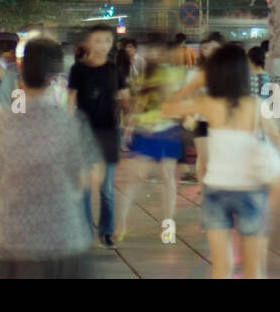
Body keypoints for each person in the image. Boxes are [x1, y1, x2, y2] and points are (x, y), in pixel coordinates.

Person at [0, 38, 102, 278]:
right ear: (55, 77)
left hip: (13, 242)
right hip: (63, 239)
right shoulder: (71, 124)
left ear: (21, 71)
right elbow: (91, 177)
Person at [164, 43, 280, 278]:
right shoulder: (256, 106)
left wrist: (192, 84)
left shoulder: (208, 104)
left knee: (221, 267)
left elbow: (167, 108)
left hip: (216, 191)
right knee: (254, 269)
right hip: (251, 192)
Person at [115, 33, 188, 242]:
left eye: (157, 50)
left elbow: (173, 101)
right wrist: (132, 123)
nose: (153, 53)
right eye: (150, 49)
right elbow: (138, 102)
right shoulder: (142, 74)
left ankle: (167, 226)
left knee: (167, 178)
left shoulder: (172, 74)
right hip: (145, 130)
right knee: (135, 178)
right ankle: (121, 224)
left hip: (167, 130)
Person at [67, 23, 130, 249]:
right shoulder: (78, 70)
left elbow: (124, 97)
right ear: (88, 43)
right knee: (84, 187)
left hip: (108, 133)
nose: (103, 45)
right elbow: (70, 100)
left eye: (107, 40)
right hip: (84, 133)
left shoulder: (115, 70)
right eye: (98, 40)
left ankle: (106, 232)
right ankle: (84, 232)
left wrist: (128, 115)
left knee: (107, 189)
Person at [174, 32, 224, 187]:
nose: (210, 51)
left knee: (217, 159)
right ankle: (204, 189)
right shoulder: (195, 72)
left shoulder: (228, 71)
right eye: (207, 48)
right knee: (204, 158)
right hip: (200, 120)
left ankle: (211, 187)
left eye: (215, 48)